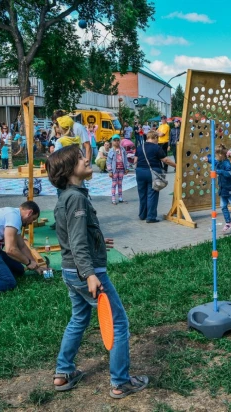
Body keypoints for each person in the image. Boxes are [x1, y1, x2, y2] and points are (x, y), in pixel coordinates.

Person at [45, 145, 149, 398]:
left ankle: (64, 373)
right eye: (81, 158)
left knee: (79, 319)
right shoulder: (77, 198)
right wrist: (90, 274)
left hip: (70, 271)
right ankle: (120, 382)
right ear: (70, 170)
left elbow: (75, 235)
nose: (86, 159)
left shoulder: (68, 196)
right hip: (87, 273)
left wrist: (99, 241)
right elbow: (78, 241)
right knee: (119, 323)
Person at [204, 144, 231, 232]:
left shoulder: (227, 163)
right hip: (223, 189)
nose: (215, 157)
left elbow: (229, 174)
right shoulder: (219, 162)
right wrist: (208, 159)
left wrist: (218, 171)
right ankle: (228, 223)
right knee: (223, 206)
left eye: (216, 155)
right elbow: (214, 161)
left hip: (230, 189)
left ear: (221, 155)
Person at [134, 131, 175, 223]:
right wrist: (177, 165)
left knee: (142, 195)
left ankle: (142, 215)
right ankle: (151, 217)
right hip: (152, 173)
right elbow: (166, 160)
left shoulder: (140, 147)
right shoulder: (156, 148)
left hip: (140, 172)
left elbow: (135, 161)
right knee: (152, 194)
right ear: (155, 137)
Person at [107, 135, 128, 205]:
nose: (116, 142)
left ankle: (120, 197)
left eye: (118, 140)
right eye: (114, 140)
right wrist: (110, 171)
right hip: (114, 170)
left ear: (120, 141)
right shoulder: (111, 151)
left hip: (121, 169)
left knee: (120, 183)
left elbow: (125, 159)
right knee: (114, 184)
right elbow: (108, 161)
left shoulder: (122, 150)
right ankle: (113, 198)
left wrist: (126, 168)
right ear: (112, 142)